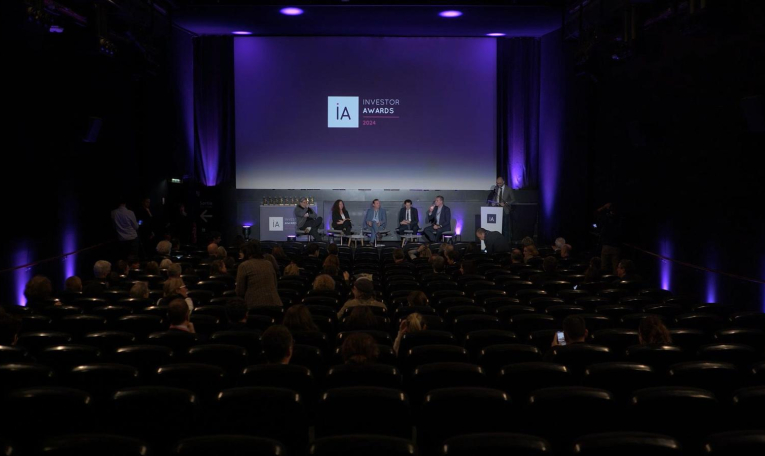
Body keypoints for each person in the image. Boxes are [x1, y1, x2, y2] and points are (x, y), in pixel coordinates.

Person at [236, 241, 283, 307]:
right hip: (274, 304)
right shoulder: (269, 264)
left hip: (253, 305)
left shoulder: (244, 266)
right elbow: (275, 284)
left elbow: (240, 291)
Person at [596, 202, 623, 275]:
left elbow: (597, 213)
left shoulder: (607, 218)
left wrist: (604, 207)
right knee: (616, 269)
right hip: (616, 246)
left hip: (606, 245)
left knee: (604, 268)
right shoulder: (620, 218)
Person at [488, 176, 516, 241]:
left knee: (505, 227)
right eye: (497, 183)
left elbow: (513, 200)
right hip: (496, 209)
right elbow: (494, 197)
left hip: (505, 210)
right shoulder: (496, 188)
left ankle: (506, 241)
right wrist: (493, 202)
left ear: (503, 182)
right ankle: (498, 240)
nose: (498, 184)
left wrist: (505, 203)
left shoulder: (508, 189)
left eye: (500, 183)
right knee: (497, 226)